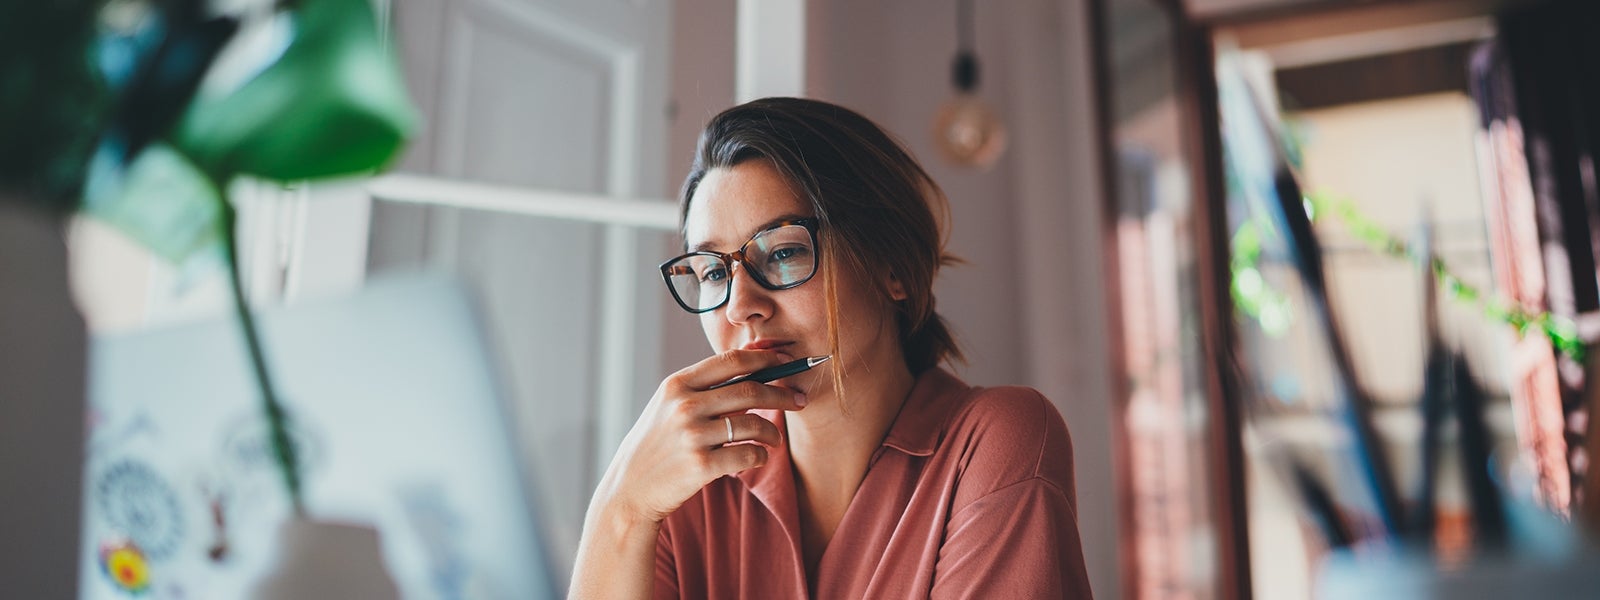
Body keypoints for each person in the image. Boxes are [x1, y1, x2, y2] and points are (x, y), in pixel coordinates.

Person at [570, 97, 1092, 599]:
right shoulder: (687, 490)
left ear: (892, 267)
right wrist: (621, 509)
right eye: (712, 272)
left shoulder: (996, 441)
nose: (740, 306)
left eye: (784, 252)